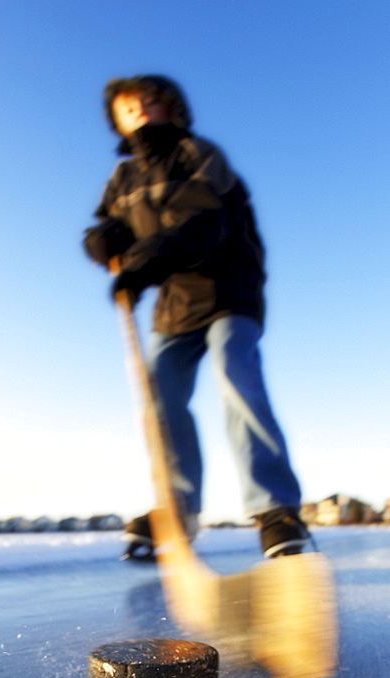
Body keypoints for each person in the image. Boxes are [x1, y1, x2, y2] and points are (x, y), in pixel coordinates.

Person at [83, 74, 309, 560]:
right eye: (129, 106)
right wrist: (100, 241)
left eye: (150, 101)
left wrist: (145, 262)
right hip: (175, 303)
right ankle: (176, 511)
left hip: (229, 289)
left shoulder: (198, 153)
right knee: (159, 396)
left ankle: (276, 509)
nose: (140, 109)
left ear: (172, 108)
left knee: (234, 374)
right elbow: (111, 225)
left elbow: (201, 220)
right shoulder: (122, 179)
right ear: (118, 120)